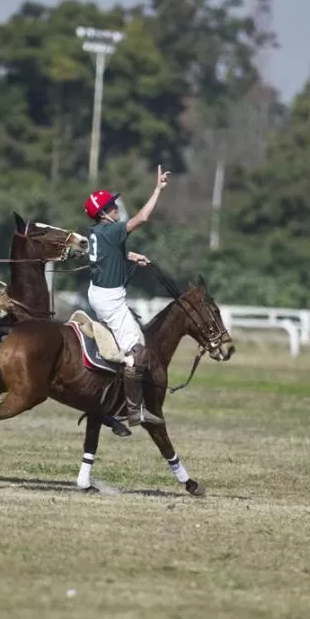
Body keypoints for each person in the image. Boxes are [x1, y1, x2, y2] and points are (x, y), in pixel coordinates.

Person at [84, 165, 170, 427]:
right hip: (110, 299)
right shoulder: (113, 230)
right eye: (111, 206)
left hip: (97, 293)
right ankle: (133, 411)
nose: (116, 208)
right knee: (137, 354)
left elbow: (108, 255)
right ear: (103, 213)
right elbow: (143, 217)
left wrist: (131, 256)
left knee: (126, 346)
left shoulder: (96, 233)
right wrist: (158, 189)